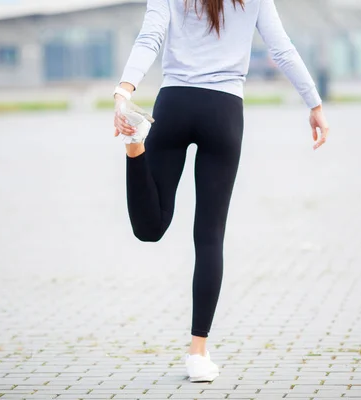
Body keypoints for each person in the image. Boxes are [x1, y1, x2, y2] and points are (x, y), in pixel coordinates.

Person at [112, 0, 330, 382]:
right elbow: (281, 48)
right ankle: (198, 354)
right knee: (209, 236)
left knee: (150, 228)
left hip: (175, 103)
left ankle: (134, 146)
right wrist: (313, 102)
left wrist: (124, 91)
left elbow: (150, 37)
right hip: (224, 111)